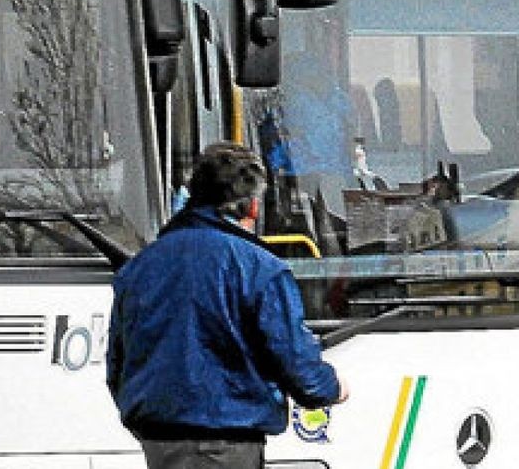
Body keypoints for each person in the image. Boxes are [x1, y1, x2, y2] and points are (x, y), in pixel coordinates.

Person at [106, 141, 348, 469]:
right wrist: (332, 387)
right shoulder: (259, 268)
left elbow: (119, 364)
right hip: (226, 438)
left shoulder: (140, 266)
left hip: (159, 440)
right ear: (252, 207)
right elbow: (295, 362)